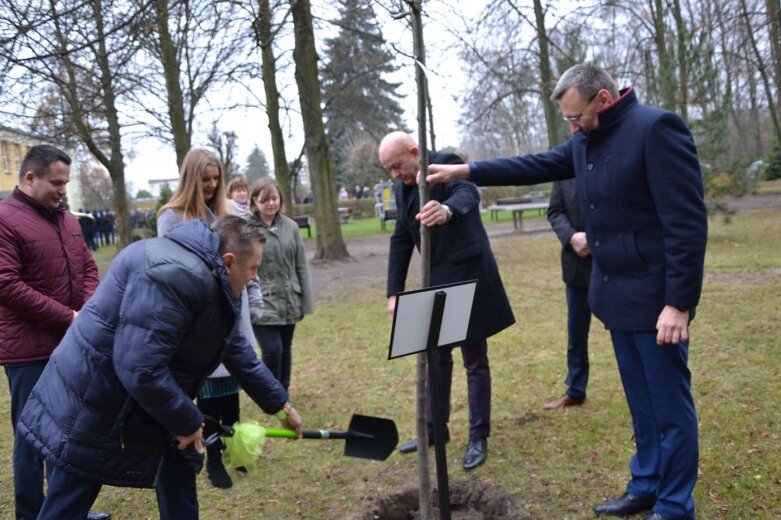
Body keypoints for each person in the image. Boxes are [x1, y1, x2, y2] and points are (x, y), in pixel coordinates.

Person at [426, 64, 707, 520]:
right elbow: (534, 164)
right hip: (616, 299)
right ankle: (646, 484)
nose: (572, 126)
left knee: (670, 408)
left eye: (576, 116)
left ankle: (675, 506)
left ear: (603, 98)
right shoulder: (584, 141)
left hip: (658, 304)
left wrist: (678, 303)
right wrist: (467, 170)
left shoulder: (655, 129)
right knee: (642, 404)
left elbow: (687, 225)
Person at [17, 216, 302, 519]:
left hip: (145, 401)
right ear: (229, 261)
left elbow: (232, 345)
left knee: (178, 468)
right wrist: (187, 420)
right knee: (71, 493)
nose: (256, 277)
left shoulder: (209, 273)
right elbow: (140, 368)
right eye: (254, 268)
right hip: (93, 399)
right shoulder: (176, 277)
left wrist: (280, 403)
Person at [378, 131, 515, 472]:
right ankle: (433, 431)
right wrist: (394, 291)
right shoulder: (401, 188)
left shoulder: (448, 163)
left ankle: (478, 435)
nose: (395, 175)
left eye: (397, 166)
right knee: (435, 358)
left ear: (415, 151)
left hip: (469, 277)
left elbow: (468, 192)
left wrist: (449, 209)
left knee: (474, 359)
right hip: (436, 282)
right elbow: (400, 241)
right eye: (389, 170)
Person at [0, 145, 110, 520]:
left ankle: (65, 510)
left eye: (66, 182)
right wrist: (69, 317)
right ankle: (31, 514)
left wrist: (89, 310)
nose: (63, 190)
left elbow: (88, 268)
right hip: (28, 352)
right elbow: (6, 285)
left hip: (70, 345)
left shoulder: (68, 219)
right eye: (56, 182)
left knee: (68, 435)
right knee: (31, 439)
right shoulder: (5, 219)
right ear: (30, 178)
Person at [157, 148, 242, 489]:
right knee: (206, 391)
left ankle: (234, 446)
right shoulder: (172, 217)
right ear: (190, 178)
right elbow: (168, 268)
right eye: (205, 179)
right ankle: (213, 458)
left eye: (215, 179)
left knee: (231, 388)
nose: (211, 185)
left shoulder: (222, 212)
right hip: (196, 320)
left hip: (227, 312)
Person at [247, 178, 313, 392]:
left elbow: (301, 265)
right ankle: (270, 392)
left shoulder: (291, 227)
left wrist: (306, 301)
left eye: (274, 198)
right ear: (255, 201)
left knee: (285, 348)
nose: (271, 204)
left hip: (289, 299)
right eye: (265, 200)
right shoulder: (247, 229)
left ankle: (283, 391)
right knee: (272, 350)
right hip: (262, 301)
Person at [543, 178, 593, 410]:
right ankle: (575, 389)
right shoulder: (565, 168)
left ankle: (641, 392)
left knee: (626, 335)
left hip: (615, 267)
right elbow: (555, 210)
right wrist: (571, 237)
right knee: (577, 331)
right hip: (577, 268)